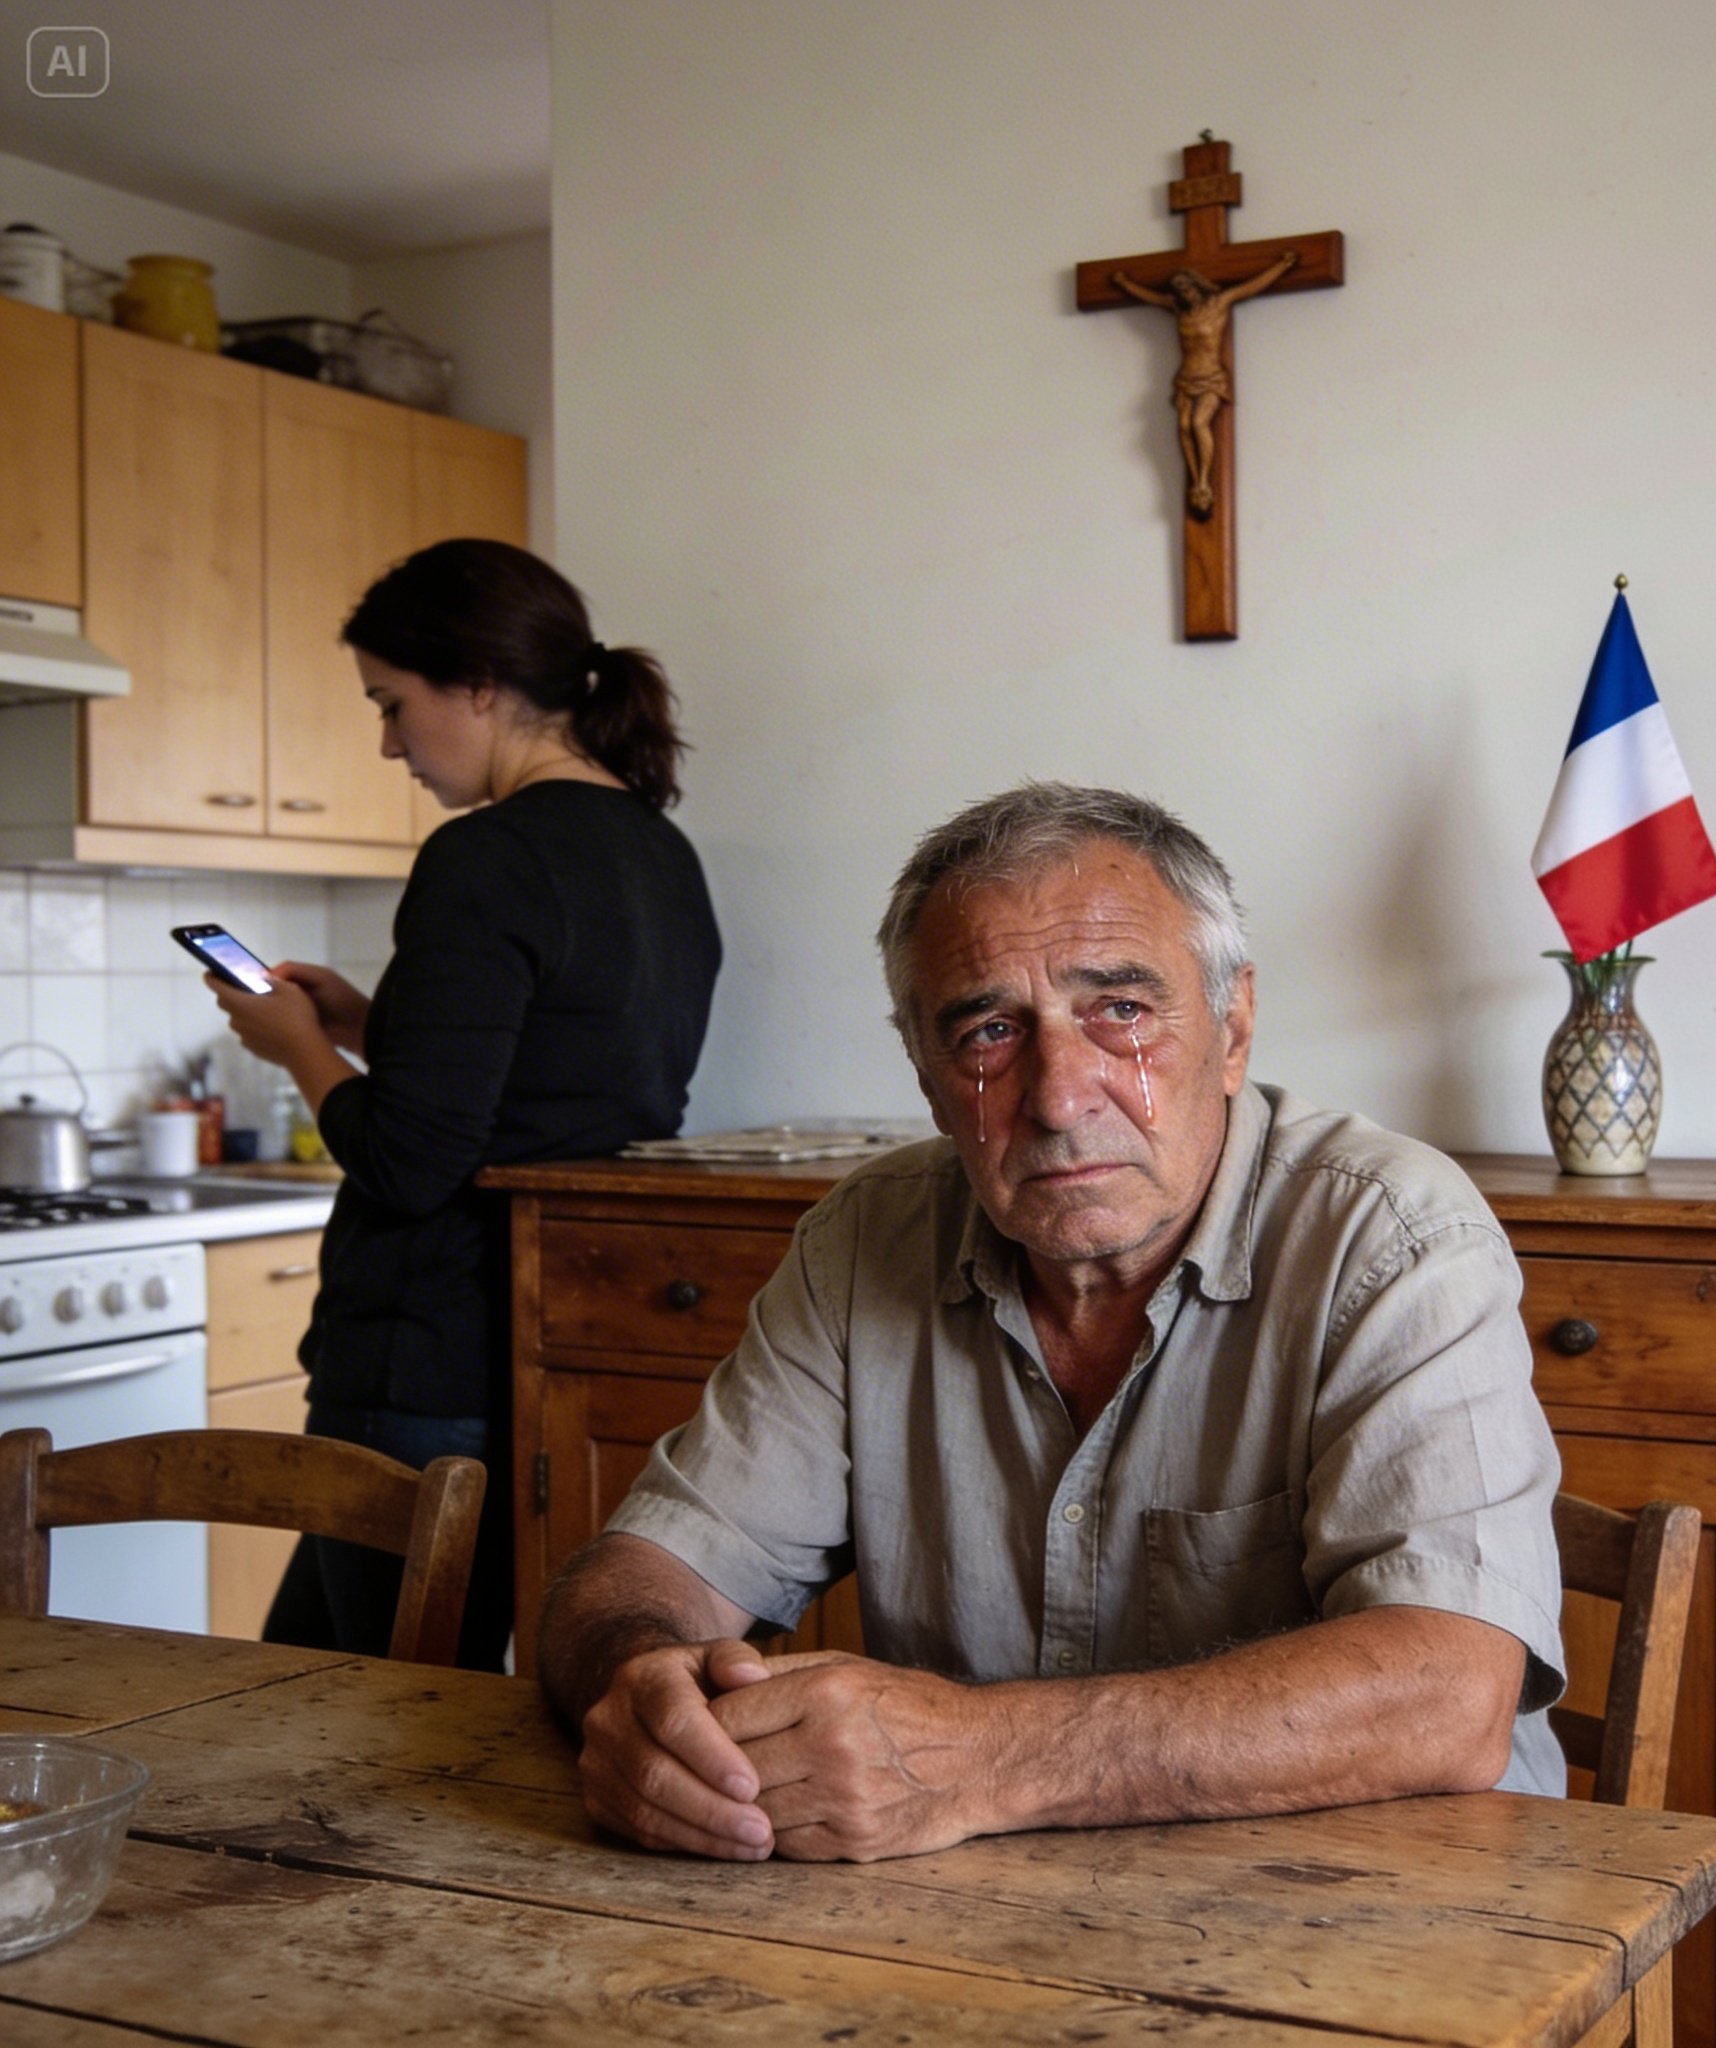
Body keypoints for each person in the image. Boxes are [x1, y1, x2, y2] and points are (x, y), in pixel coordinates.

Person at [539, 781, 1563, 1863]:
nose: (1059, 1096)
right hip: (987, 1911)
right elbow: (642, 1573)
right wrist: (642, 1686)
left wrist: (978, 1758)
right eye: (988, 1031)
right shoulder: (865, 1240)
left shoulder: (1394, 1235)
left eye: (1120, 1011)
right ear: (926, 1076)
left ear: (1232, 1027)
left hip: (1390, 1903)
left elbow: (1449, 1692)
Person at [205, 538, 722, 1672]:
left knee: (372, 1713)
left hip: (422, 1358)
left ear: (479, 685)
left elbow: (408, 1160)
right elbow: (557, 1076)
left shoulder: (483, 854)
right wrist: (363, 1023)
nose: (389, 743)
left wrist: (298, 1049)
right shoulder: (659, 852)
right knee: (301, 1682)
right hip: (544, 1352)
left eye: (391, 703)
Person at [1110, 251, 1298, 515]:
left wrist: (1282, 265)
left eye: (1186, 287)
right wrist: (1125, 284)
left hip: (1211, 378)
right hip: (1185, 379)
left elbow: (1251, 286)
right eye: (1179, 290)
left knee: (1199, 423)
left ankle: (1203, 481)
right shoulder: (1179, 311)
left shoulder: (1218, 304)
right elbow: (1151, 297)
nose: (1184, 293)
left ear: (1196, 285)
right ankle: (1195, 480)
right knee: (1184, 426)